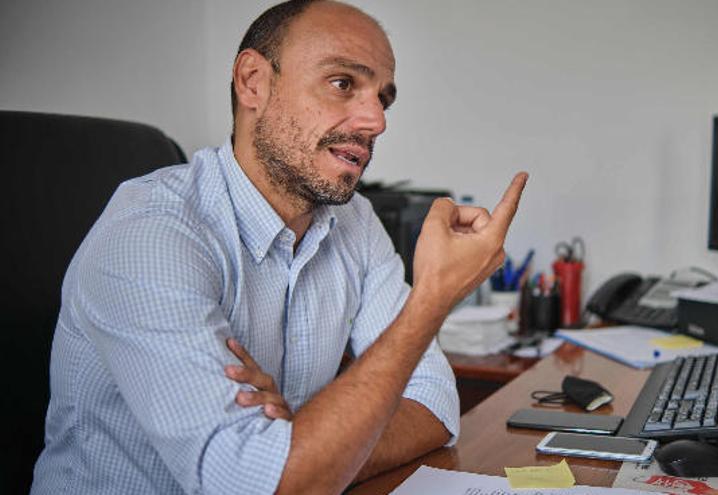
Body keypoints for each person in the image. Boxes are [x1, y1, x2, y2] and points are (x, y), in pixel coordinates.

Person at [31, 1, 527, 494]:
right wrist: (432, 297)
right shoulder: (151, 231)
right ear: (253, 81)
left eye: (383, 98)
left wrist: (299, 443)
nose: (376, 121)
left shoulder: (354, 221)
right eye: (343, 83)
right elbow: (265, 484)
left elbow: (436, 405)